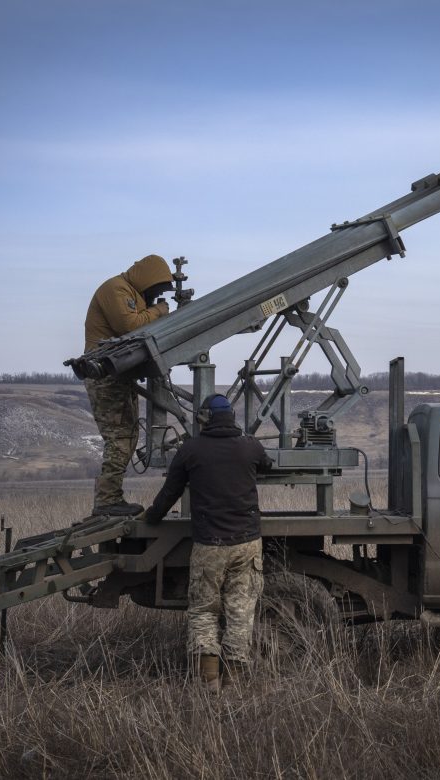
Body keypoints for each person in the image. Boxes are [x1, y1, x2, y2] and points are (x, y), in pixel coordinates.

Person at [142, 394, 272, 692]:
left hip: (209, 546)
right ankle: (234, 681)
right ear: (231, 417)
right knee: (241, 611)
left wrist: (151, 518)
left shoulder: (191, 450)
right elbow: (266, 465)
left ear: (204, 419)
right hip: (247, 543)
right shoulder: (250, 446)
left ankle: (209, 682)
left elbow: (169, 493)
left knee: (203, 611)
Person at [84, 254, 174, 516]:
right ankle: (107, 501)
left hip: (117, 375)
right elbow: (130, 326)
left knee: (129, 436)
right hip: (104, 375)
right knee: (120, 438)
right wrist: (159, 311)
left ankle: (111, 498)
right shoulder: (116, 289)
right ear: (146, 280)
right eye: (154, 290)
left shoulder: (128, 291)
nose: (154, 296)